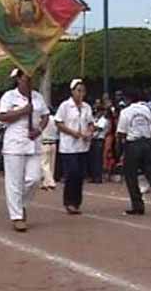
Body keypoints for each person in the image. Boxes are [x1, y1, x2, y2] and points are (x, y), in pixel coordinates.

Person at [0, 68, 49, 232]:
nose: (29, 81)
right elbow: (3, 116)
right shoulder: (9, 96)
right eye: (26, 78)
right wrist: (22, 111)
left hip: (33, 142)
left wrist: (39, 130)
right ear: (19, 79)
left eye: (31, 78)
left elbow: (45, 116)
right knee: (14, 182)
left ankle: (21, 205)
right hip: (14, 143)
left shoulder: (38, 97)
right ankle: (17, 216)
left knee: (34, 179)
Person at [116, 88, 151, 219]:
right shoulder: (148, 109)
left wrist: (120, 150)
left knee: (131, 176)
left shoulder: (126, 112)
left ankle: (138, 206)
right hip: (146, 143)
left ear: (128, 99)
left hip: (133, 145)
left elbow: (121, 133)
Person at [55, 79, 94, 215]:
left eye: (83, 91)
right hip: (68, 147)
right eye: (78, 90)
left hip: (82, 146)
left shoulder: (87, 107)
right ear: (72, 91)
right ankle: (68, 202)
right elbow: (59, 123)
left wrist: (89, 132)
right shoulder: (65, 106)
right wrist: (72, 133)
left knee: (80, 176)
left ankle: (76, 202)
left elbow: (90, 123)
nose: (81, 94)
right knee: (72, 173)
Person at [89, 103, 110, 183]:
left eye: (99, 111)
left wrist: (93, 127)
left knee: (98, 159)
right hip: (93, 139)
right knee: (93, 159)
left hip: (99, 140)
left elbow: (99, 128)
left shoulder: (104, 120)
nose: (97, 112)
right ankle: (93, 176)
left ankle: (98, 177)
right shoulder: (95, 119)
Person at [40, 109, 58, 190]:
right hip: (53, 142)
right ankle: (46, 182)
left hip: (44, 142)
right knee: (51, 164)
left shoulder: (42, 120)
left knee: (44, 164)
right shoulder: (55, 119)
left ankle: (50, 182)